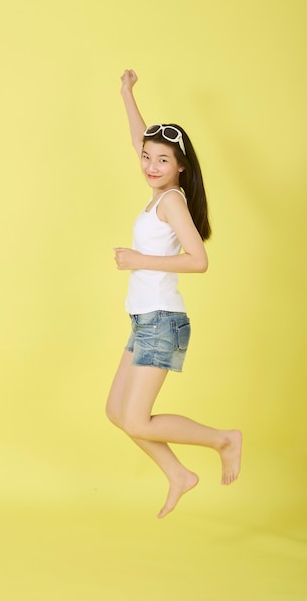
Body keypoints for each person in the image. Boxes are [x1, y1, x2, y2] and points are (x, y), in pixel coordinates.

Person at [105, 69, 242, 518]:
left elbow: (198, 259)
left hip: (162, 320)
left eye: (162, 160)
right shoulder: (155, 194)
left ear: (180, 166)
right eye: (147, 158)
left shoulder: (172, 200)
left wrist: (138, 260)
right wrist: (127, 93)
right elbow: (137, 139)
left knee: (137, 419)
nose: (150, 165)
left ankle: (224, 439)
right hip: (145, 318)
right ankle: (180, 475)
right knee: (116, 412)